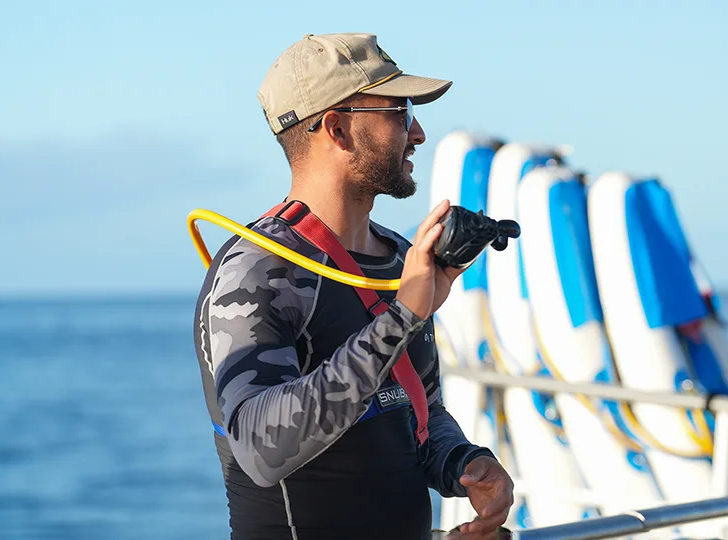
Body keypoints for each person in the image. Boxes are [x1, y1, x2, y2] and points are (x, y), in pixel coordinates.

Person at [192, 32, 515, 540]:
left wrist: (464, 463)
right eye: (400, 112)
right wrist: (402, 317)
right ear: (337, 129)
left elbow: (417, 407)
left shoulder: (398, 259)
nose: (419, 133)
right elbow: (260, 448)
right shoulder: (260, 269)